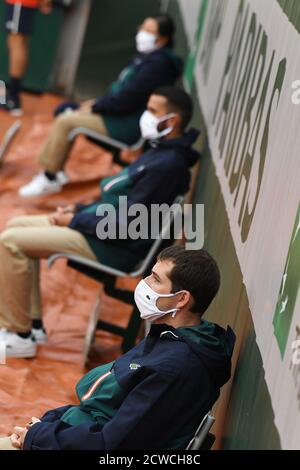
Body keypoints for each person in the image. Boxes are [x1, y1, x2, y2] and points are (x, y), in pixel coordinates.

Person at [0, 86, 200, 358]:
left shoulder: (168, 165)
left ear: (172, 121)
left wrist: (74, 220)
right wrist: (79, 209)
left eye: (153, 111)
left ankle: (18, 335)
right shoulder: (160, 151)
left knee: (11, 242)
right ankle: (32, 326)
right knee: (16, 226)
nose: (145, 116)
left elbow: (124, 225)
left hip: (114, 246)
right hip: (101, 231)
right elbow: (118, 206)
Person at [0, 246, 236, 450]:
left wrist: (40, 437)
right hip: (70, 434)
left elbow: (112, 445)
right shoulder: (172, 338)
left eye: (155, 279)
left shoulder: (174, 368)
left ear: (182, 299)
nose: (144, 283)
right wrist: (47, 426)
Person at [18, 14, 183, 197]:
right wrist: (95, 104)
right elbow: (121, 95)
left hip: (127, 123)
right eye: (142, 28)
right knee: (67, 110)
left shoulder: (158, 64)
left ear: (163, 38)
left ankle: (49, 177)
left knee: (67, 121)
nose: (142, 34)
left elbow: (127, 100)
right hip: (117, 114)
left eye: (149, 31)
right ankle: (57, 170)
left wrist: (95, 107)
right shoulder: (146, 58)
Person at [1, 0, 52, 116]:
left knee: (16, 42)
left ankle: (13, 99)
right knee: (20, 42)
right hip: (26, 3)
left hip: (20, 2)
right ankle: (14, 96)